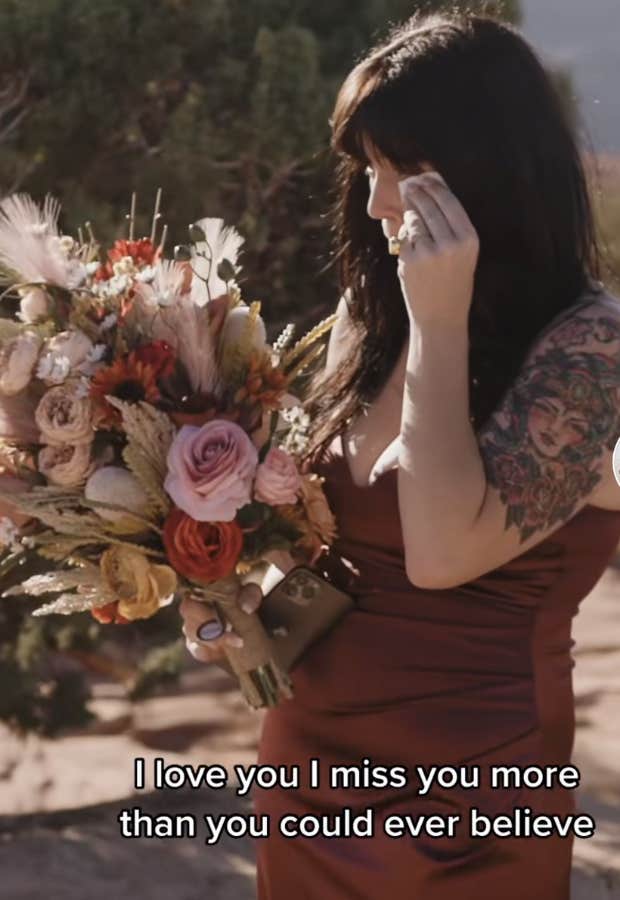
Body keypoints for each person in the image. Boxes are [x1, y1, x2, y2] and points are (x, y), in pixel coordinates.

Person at [179, 9, 620, 898]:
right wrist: (229, 606)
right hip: (310, 762)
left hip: (478, 785)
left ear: (492, 172)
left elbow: (442, 551)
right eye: (369, 169)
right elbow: (328, 540)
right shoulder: (364, 323)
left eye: (406, 171)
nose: (379, 203)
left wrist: (440, 320)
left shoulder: (593, 348)